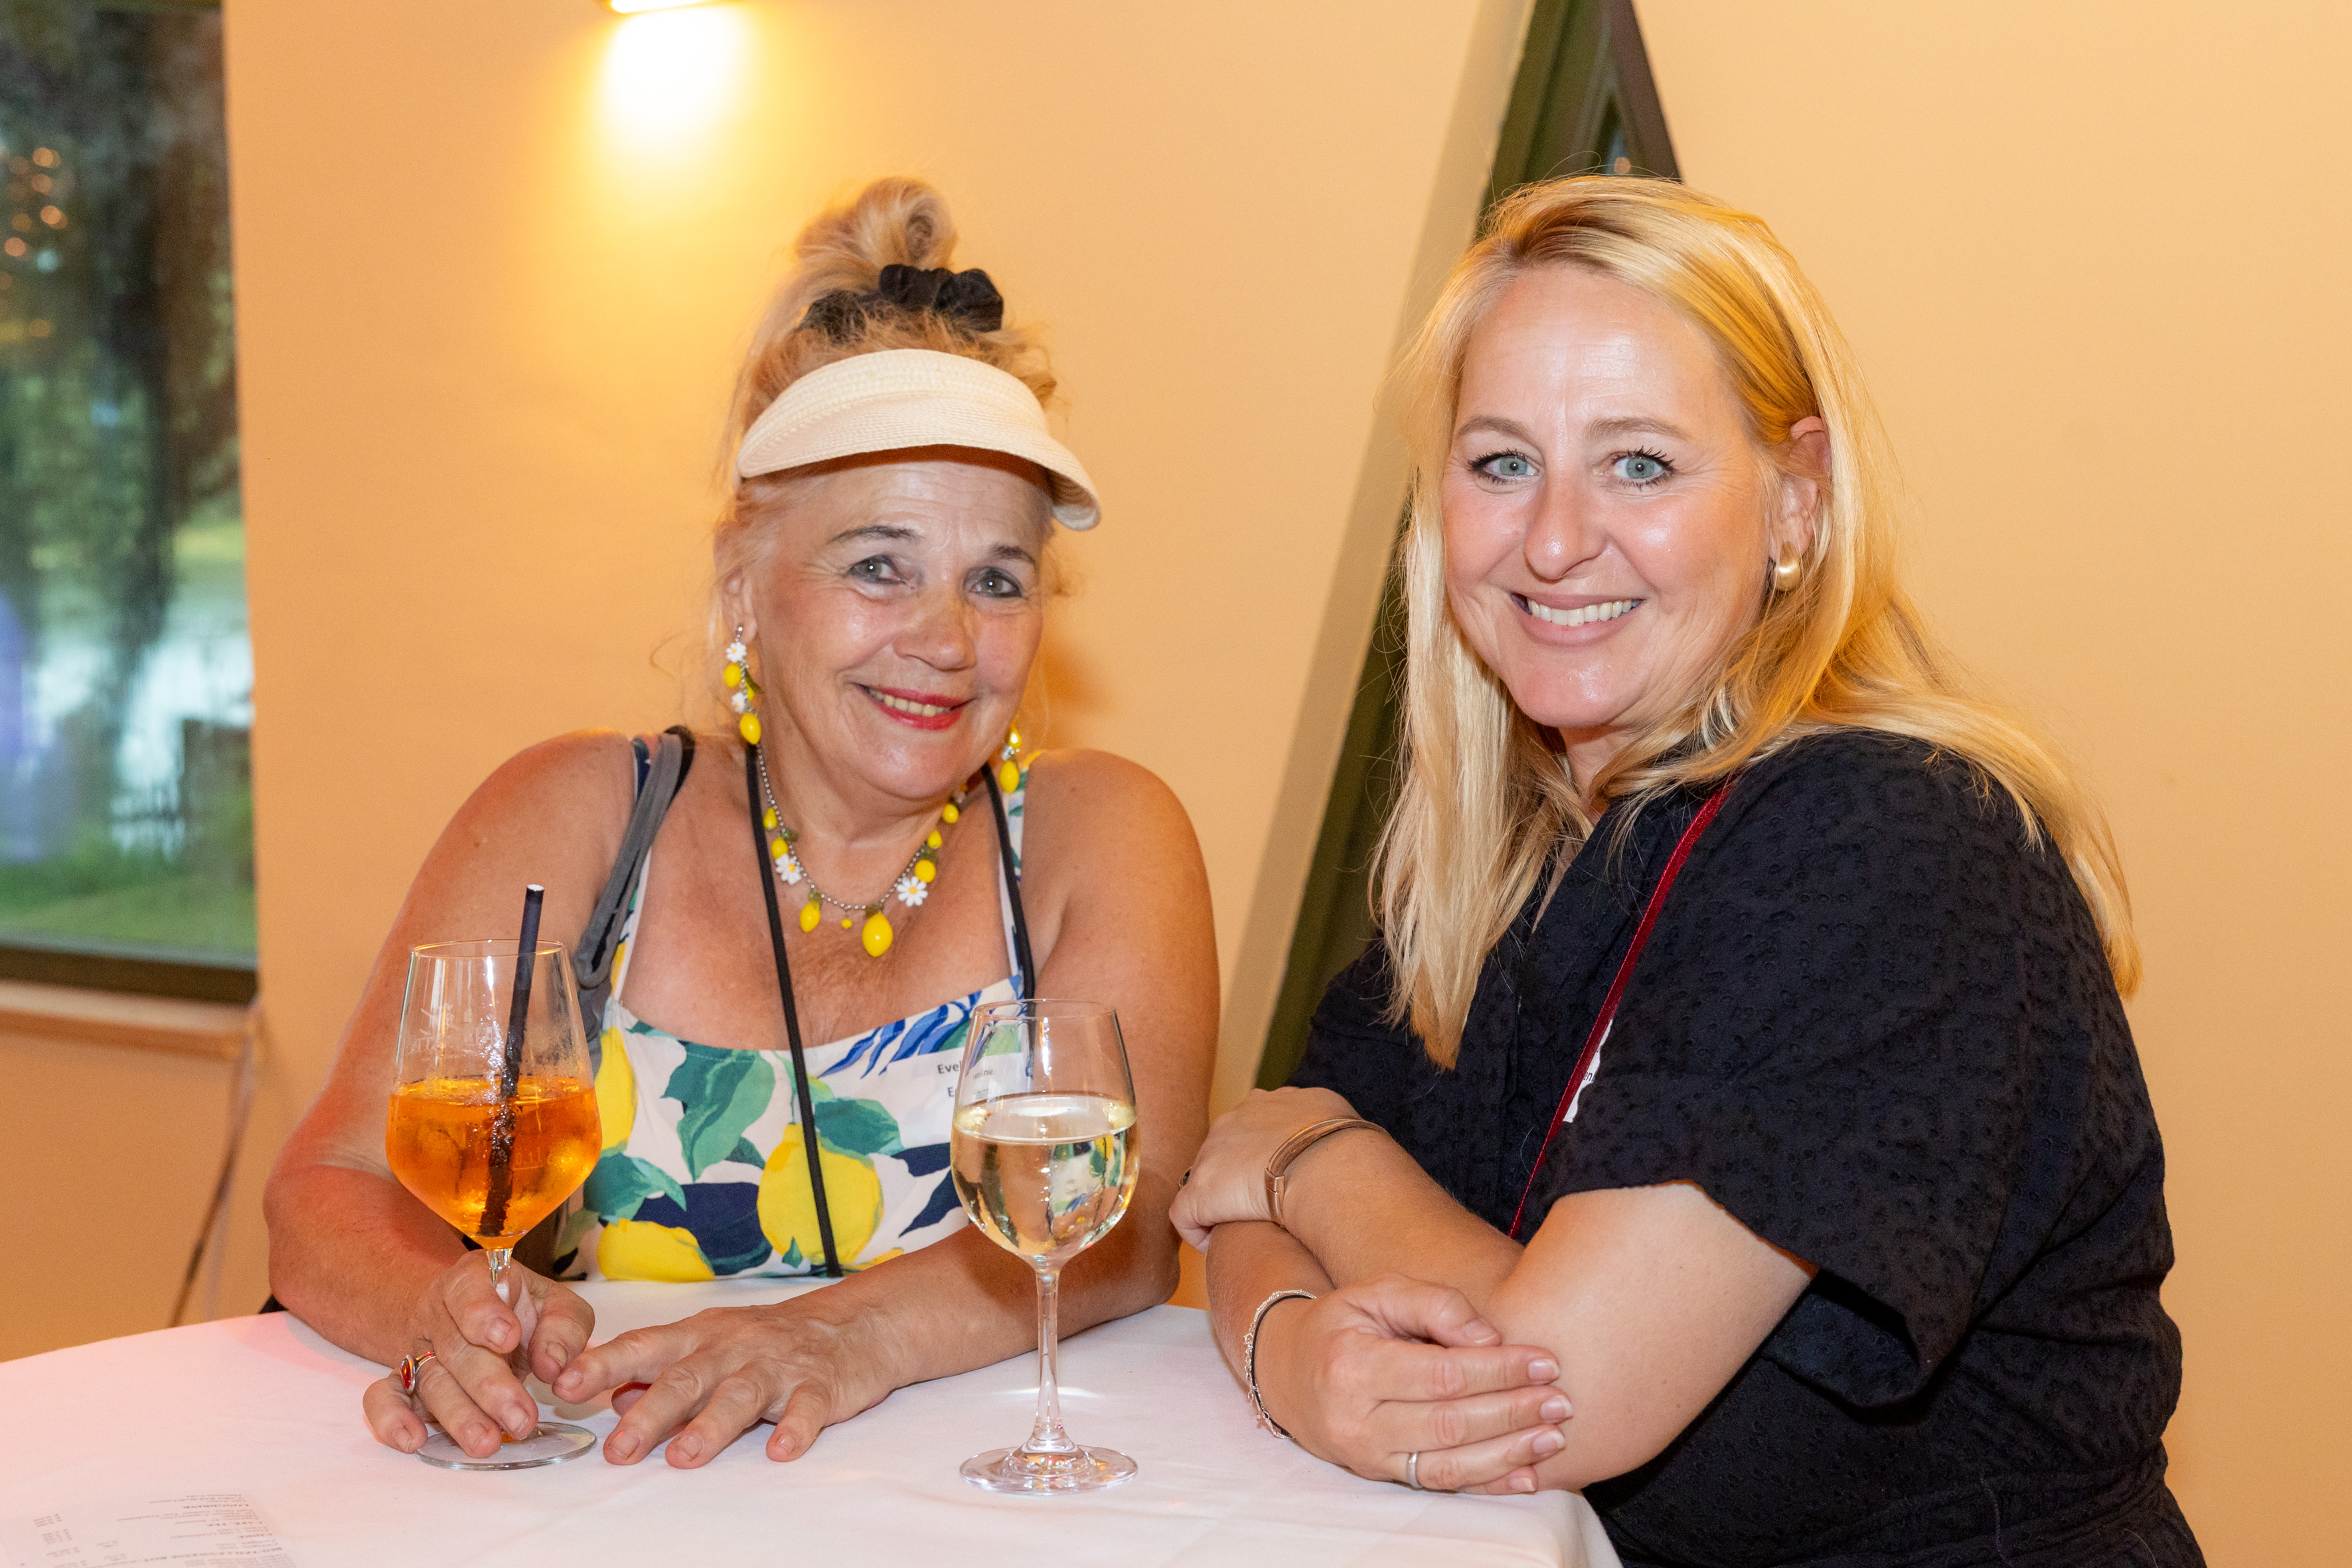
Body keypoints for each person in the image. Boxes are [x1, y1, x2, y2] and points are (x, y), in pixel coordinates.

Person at [1172, 177, 2200, 1568]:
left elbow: (1554, 1387)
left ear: (1796, 500)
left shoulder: (1885, 843)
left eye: (1639, 464)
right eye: (1500, 463)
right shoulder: (1505, 863)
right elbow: (1228, 1197)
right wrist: (1297, 1349)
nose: (1552, 539)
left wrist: (1312, 1162)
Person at [265, 178, 1217, 1469]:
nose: (946, 638)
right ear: (745, 589)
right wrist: (438, 1319)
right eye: (878, 564)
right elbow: (331, 1187)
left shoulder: (1097, 836)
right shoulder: (583, 816)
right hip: (627, 1496)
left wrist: (839, 1337)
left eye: (996, 579)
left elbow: (1132, 1225)